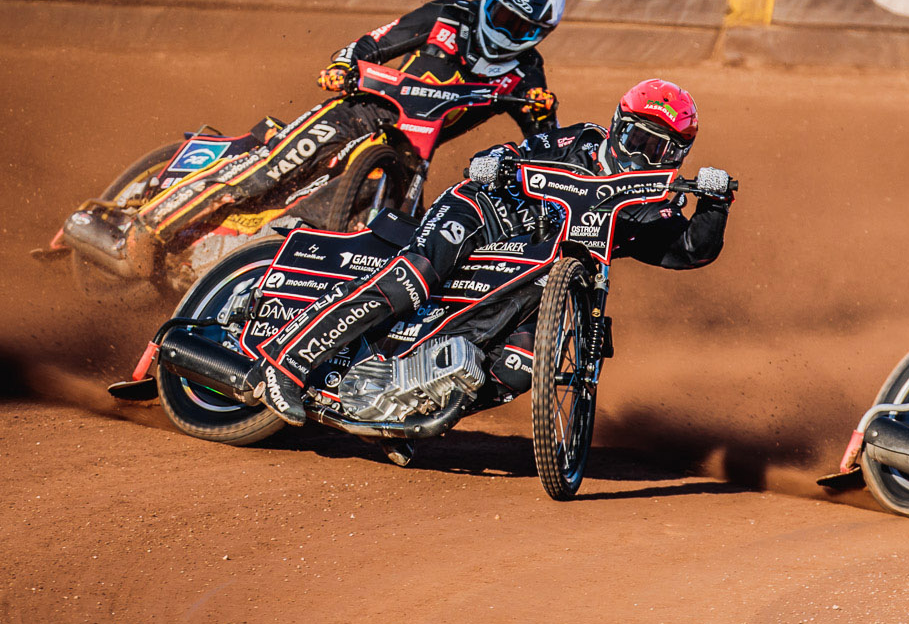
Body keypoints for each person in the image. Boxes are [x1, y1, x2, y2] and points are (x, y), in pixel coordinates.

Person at [245, 79, 735, 425]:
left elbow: (691, 250)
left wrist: (715, 203)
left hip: (540, 278)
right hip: (483, 214)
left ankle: (412, 406)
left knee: (519, 367)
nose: (645, 155)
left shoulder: (654, 206)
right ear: (617, 125)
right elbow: (515, 150)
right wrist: (496, 159)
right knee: (413, 278)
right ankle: (284, 364)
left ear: (678, 157)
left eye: (661, 150)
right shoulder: (578, 140)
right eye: (638, 139)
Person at [123, 0, 569, 276]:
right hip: (360, 111)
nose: (506, 30)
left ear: (540, 34)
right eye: (502, 15)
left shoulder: (527, 73)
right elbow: (371, 44)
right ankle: (151, 227)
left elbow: (545, 152)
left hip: (411, 154)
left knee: (403, 243)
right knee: (268, 171)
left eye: (520, 27)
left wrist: (544, 117)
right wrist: (342, 66)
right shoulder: (447, 15)